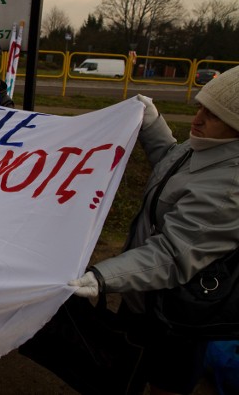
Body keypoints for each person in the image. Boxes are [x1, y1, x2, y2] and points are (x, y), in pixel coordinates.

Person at [69, 66, 239, 394]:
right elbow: (171, 165)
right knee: (124, 369)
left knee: (165, 383)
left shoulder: (230, 188)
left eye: (213, 116)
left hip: (179, 315)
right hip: (143, 294)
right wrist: (152, 123)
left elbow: (174, 255)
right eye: (200, 107)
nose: (198, 119)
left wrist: (102, 278)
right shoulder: (205, 146)